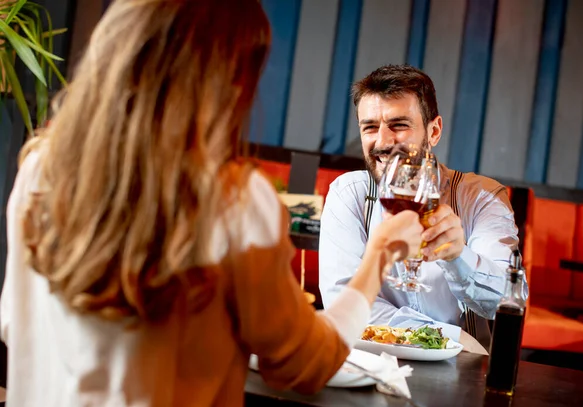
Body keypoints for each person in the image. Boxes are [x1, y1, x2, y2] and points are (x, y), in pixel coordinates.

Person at [0, 3, 424, 406]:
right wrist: (380, 255)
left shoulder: (40, 166)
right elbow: (304, 363)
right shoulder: (235, 200)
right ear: (229, 81)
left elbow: (11, 324)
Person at [319, 64, 525, 350]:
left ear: (434, 131)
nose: (382, 141)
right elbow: (342, 301)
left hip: (461, 373)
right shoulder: (349, 194)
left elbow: (507, 301)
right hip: (373, 362)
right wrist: (451, 337)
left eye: (399, 125)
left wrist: (457, 257)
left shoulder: (481, 198)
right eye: (370, 128)